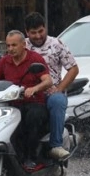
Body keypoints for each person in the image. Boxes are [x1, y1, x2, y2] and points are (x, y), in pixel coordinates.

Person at [0, 30, 53, 170]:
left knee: (32, 118)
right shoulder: (4, 61)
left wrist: (34, 89)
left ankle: (31, 157)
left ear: (24, 44)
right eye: (8, 45)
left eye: (14, 45)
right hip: (10, 105)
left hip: (33, 103)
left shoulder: (35, 59)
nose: (10, 49)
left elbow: (47, 81)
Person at [24, 12, 78, 160]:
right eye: (33, 33)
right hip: (26, 93)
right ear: (27, 32)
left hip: (49, 92)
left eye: (40, 31)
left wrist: (59, 88)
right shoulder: (22, 45)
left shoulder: (56, 44)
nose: (38, 36)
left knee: (57, 101)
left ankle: (56, 146)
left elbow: (73, 69)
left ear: (45, 28)